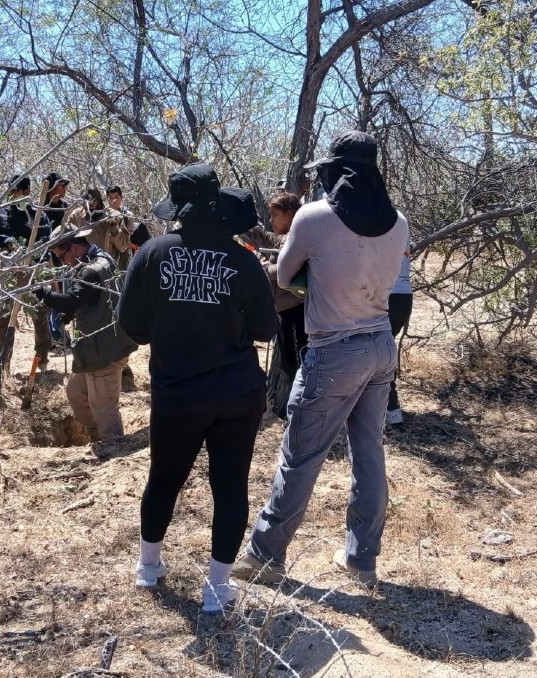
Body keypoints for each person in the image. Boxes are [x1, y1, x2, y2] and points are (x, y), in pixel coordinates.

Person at [233, 131, 408, 588]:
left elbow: (286, 276)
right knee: (369, 454)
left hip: (334, 350)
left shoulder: (313, 217)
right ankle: (362, 561)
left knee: (301, 456)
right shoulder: (399, 222)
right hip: (381, 345)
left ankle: (265, 557)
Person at [117, 164, 278, 614]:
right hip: (236, 393)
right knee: (230, 486)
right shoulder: (244, 259)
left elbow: (131, 325)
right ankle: (217, 588)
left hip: (177, 394)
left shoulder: (150, 253)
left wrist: (167, 327)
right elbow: (265, 329)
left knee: (163, 479)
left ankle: (149, 568)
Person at [37, 228, 137, 442]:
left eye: (61, 256)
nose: (63, 263)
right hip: (97, 347)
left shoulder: (90, 270)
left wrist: (43, 294)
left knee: (103, 408)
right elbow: (90, 296)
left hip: (104, 350)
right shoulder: (103, 258)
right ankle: (96, 438)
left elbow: (73, 298)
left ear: (74, 247)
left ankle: (113, 448)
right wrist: (72, 311)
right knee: (76, 393)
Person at [237, 191, 306, 419]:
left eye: (276, 215)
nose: (272, 220)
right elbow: (265, 238)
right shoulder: (284, 238)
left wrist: (264, 268)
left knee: (298, 365)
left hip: (297, 312)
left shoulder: (299, 238)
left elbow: (290, 269)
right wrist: (242, 225)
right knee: (289, 364)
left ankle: (302, 417)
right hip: (284, 312)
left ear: (290, 213)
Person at [0, 174, 53, 376]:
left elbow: (47, 243)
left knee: (40, 317)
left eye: (16, 191)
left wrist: (36, 264)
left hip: (34, 274)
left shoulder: (38, 215)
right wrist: (7, 242)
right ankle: (3, 365)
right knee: (4, 319)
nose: (12, 195)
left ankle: (41, 363)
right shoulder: (1, 213)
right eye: (10, 190)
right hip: (8, 274)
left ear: (27, 192)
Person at [67, 188, 132, 267]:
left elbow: (123, 247)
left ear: (99, 200)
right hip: (84, 266)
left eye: (93, 201)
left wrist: (114, 228)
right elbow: (66, 240)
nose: (91, 205)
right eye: (87, 202)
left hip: (108, 267)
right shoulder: (76, 216)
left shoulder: (114, 216)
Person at [386, 245, 414, 425]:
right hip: (403, 295)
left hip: (383, 294)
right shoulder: (400, 221)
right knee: (385, 347)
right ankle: (390, 409)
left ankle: (390, 407)